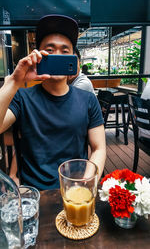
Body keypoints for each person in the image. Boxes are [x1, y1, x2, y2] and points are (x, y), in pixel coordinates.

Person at [0, 14, 106, 190]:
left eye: (65, 52)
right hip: (34, 193)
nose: (57, 56)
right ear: (37, 55)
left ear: (74, 58)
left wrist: (84, 185)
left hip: (75, 189)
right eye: (49, 51)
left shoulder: (88, 99)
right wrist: (14, 81)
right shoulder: (21, 97)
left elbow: (99, 149)